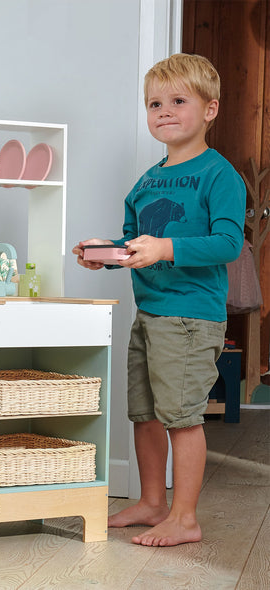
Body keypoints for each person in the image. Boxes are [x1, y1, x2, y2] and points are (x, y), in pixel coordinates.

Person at [73, 53, 246, 547]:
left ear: (210, 110)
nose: (164, 111)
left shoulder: (219, 175)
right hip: (149, 314)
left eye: (177, 101)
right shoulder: (147, 181)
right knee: (145, 412)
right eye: (154, 103)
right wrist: (106, 255)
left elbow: (228, 244)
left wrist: (166, 248)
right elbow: (136, 244)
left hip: (190, 316)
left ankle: (185, 517)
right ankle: (153, 502)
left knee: (182, 417)